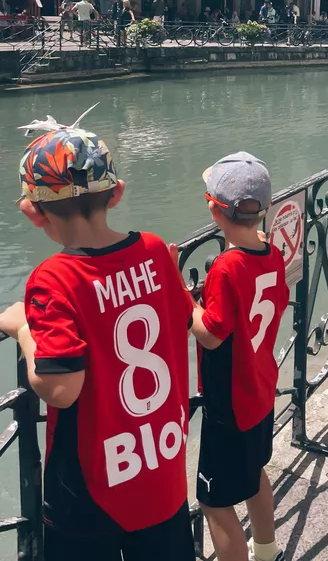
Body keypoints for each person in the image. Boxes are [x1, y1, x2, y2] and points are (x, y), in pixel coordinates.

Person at [0, 111, 196, 561]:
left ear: (32, 212)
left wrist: (24, 328)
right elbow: (180, 318)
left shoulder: (54, 278)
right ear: (117, 193)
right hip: (160, 459)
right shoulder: (153, 248)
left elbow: (61, 389)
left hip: (93, 484)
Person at [184, 153, 289, 561]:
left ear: (214, 208)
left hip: (230, 403)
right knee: (253, 475)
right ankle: (266, 552)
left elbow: (210, 334)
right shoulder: (272, 254)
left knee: (213, 502)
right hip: (262, 388)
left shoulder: (225, 268)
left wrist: (181, 294)